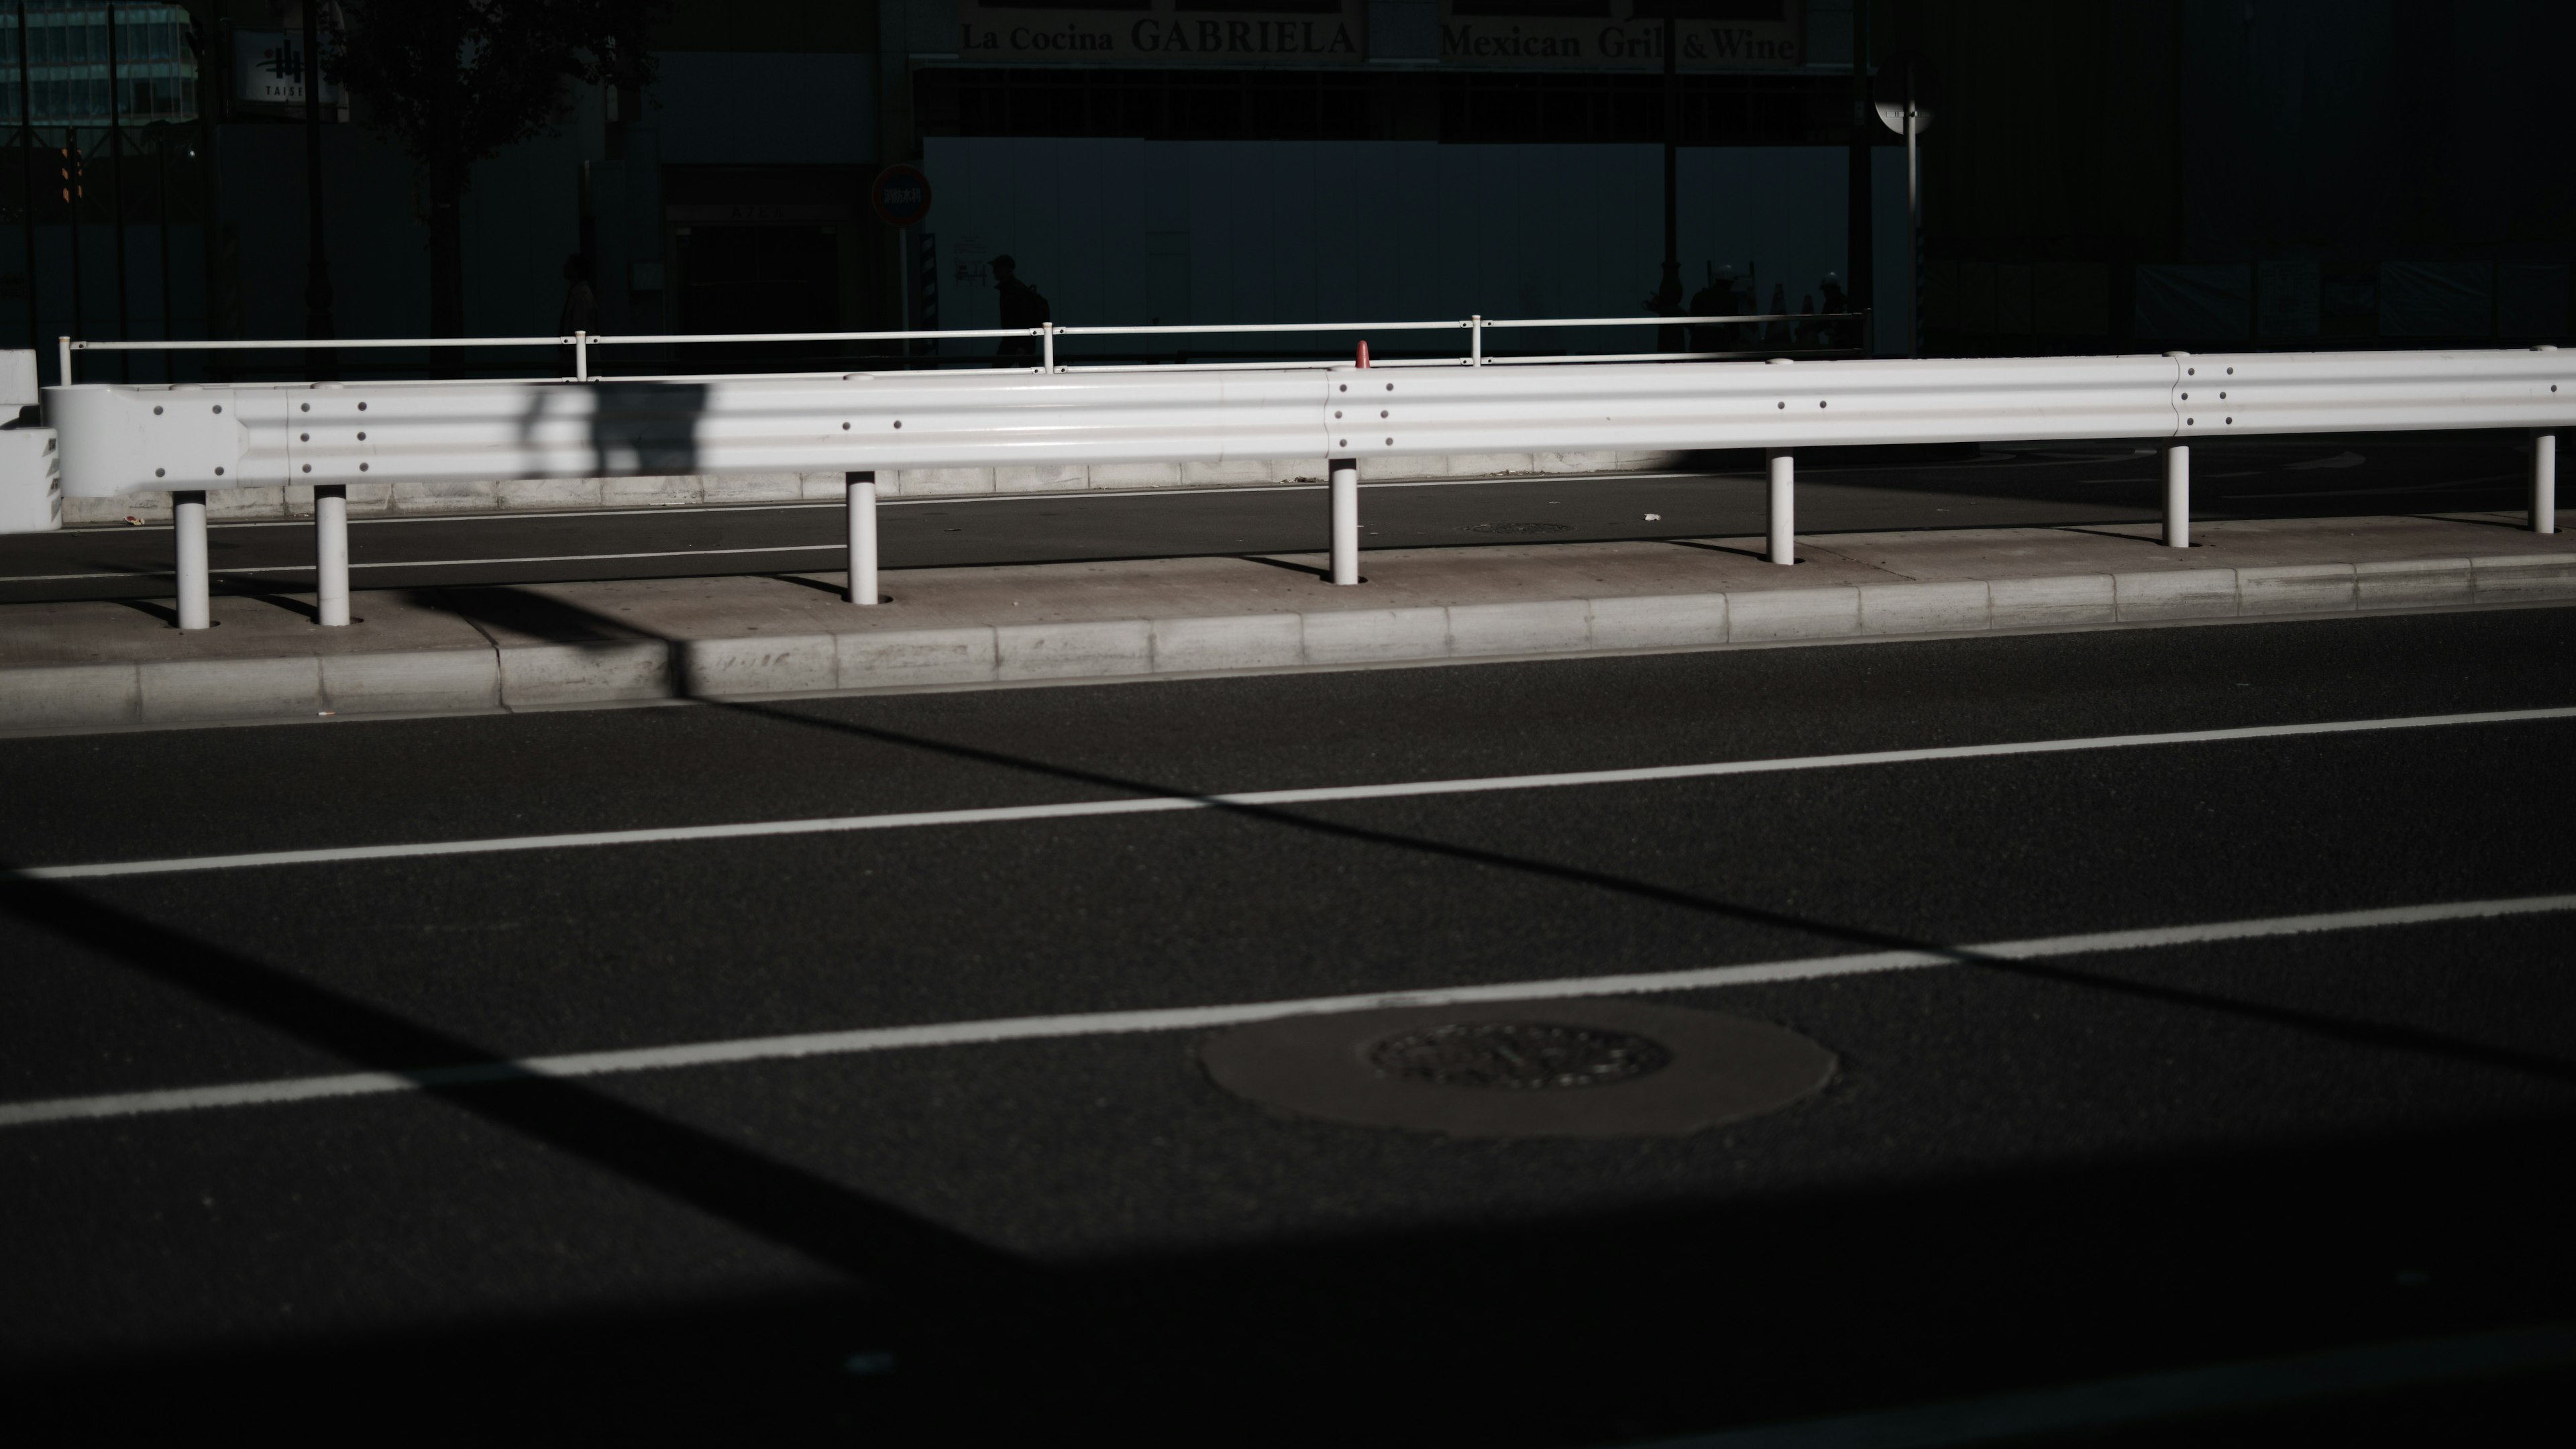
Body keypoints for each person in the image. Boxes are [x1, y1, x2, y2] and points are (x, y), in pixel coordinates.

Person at [992, 254, 1049, 360]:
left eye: (997, 268)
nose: (994, 271)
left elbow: (1027, 316)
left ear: (1006, 269)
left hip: (1016, 341)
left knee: (999, 370)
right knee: (1029, 370)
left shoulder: (1015, 290)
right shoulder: (1013, 288)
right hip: (1018, 340)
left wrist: (1023, 345)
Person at [557, 253, 598, 377]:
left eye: (569, 266)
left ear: (576, 271)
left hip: (576, 354)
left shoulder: (581, 295)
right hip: (574, 352)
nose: (564, 268)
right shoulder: (578, 294)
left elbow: (581, 326)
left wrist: (570, 351)